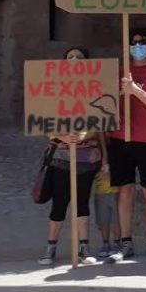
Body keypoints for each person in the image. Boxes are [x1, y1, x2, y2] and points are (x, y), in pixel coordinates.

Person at [107, 28, 146, 263]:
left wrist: (136, 91)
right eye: (133, 43)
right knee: (123, 190)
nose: (137, 46)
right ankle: (125, 243)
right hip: (119, 137)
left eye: (141, 42)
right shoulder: (119, 71)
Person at [40, 47, 105, 266]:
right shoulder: (53, 91)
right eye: (70, 57)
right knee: (59, 203)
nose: (75, 60)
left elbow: (101, 123)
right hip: (61, 158)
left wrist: (85, 135)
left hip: (86, 159)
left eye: (79, 57)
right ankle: (50, 249)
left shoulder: (96, 92)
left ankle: (83, 249)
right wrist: (64, 137)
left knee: (82, 202)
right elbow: (44, 122)